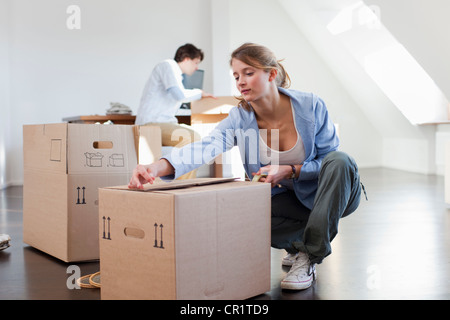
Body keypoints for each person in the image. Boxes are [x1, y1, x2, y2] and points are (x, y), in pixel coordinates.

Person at [129, 43, 364, 291]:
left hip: (330, 195)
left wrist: (290, 170)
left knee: (340, 160)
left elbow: (329, 162)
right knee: (244, 217)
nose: (241, 81)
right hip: (289, 201)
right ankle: (298, 245)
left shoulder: (310, 106)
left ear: (271, 74)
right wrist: (155, 168)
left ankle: (309, 255)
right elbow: (206, 146)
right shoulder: (240, 117)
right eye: (236, 76)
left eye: (249, 73)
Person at [135, 43, 215, 179]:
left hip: (158, 123)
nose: (197, 68)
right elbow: (179, 95)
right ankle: (182, 185)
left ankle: (183, 183)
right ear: (186, 59)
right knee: (192, 138)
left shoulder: (176, 74)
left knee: (194, 140)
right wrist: (199, 93)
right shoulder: (168, 65)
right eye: (196, 63)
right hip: (150, 124)